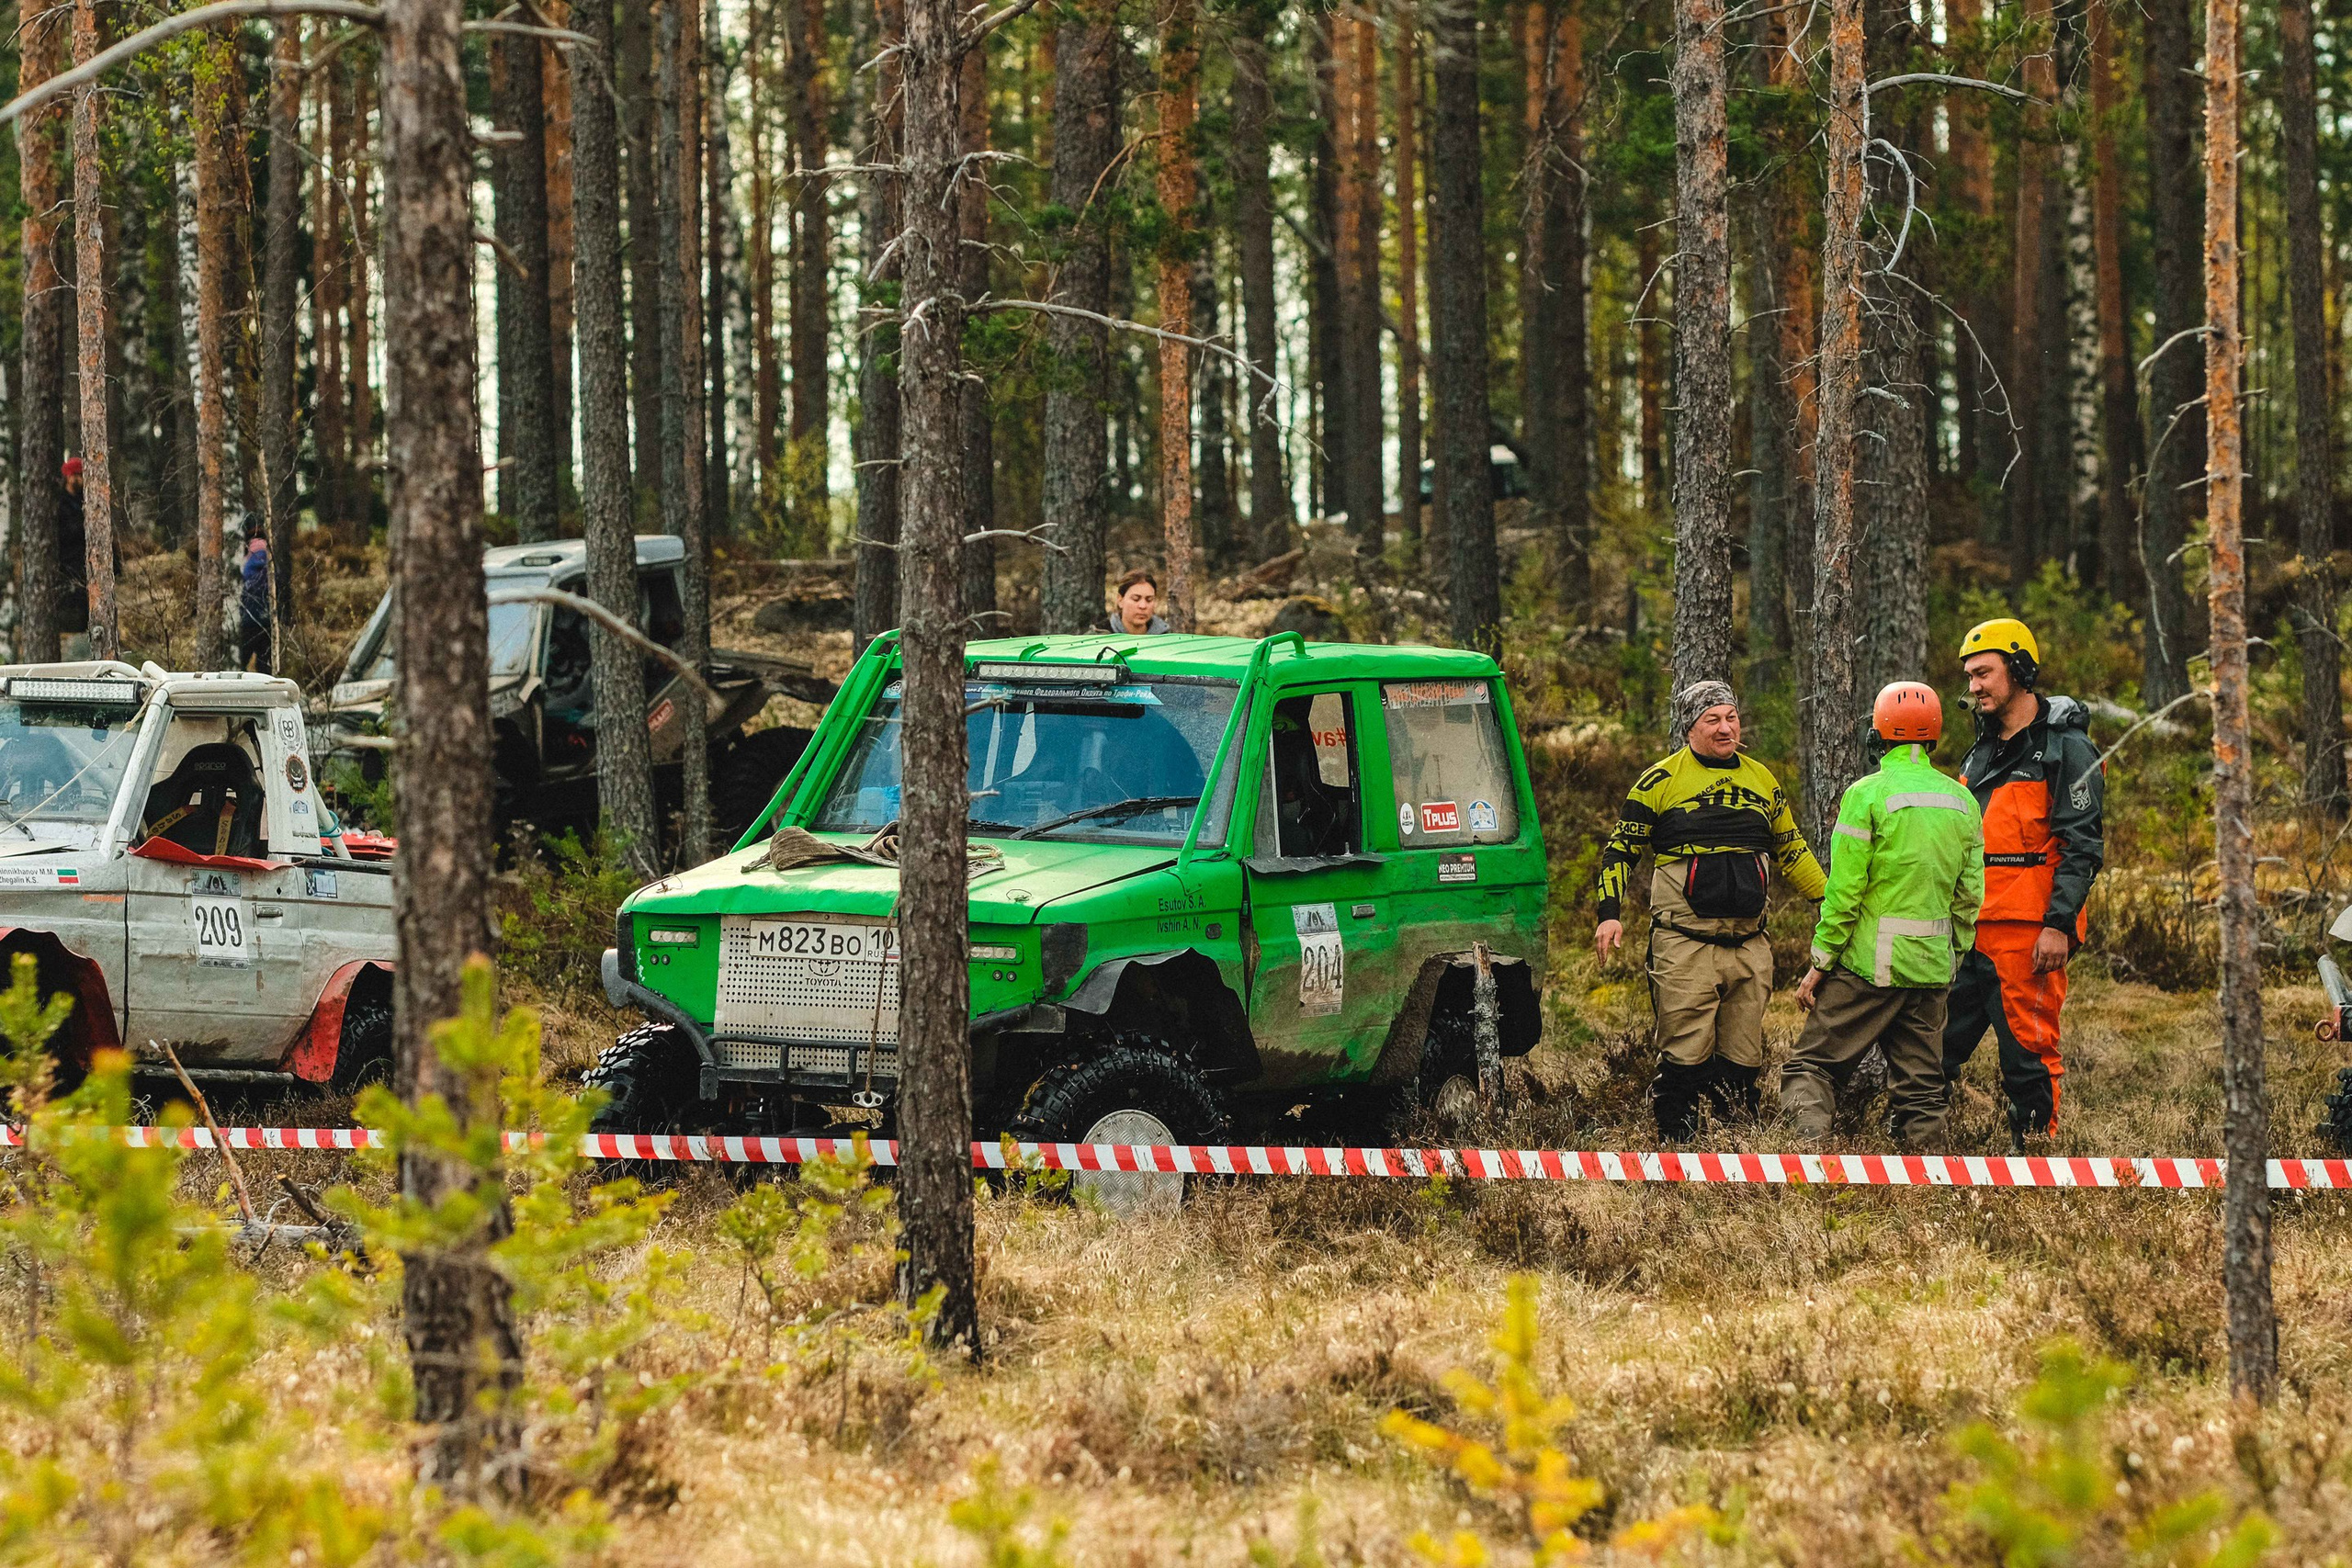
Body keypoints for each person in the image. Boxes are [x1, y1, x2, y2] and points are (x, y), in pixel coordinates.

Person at [1595, 680, 1827, 1140]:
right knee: (1685, 1059)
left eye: (1731, 718)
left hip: (1749, 947)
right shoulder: (1660, 780)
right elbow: (1620, 851)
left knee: (1742, 1063)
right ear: (1690, 727)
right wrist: (1609, 913)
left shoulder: (1763, 780)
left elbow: (1791, 849)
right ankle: (1678, 1161)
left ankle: (1734, 1163)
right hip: (1685, 947)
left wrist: (1829, 903)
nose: (1725, 729)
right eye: (1712, 720)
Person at [1781, 682, 1984, 1147]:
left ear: (1878, 734)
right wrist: (1952, 953)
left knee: (1810, 1068)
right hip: (1931, 967)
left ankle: (1808, 1171)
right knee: (1922, 1089)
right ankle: (1927, 1190)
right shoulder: (1963, 802)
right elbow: (1970, 895)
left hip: (1869, 966)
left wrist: (1819, 965)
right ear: (1932, 738)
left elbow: (1845, 893)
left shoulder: (1866, 795)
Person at [1941, 617, 2104, 1150]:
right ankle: (1916, 1151)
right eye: (1969, 676)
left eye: (1983, 673)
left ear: (2018, 669)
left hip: (2028, 934)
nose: (1974, 686)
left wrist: (2058, 925)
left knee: (2027, 1056)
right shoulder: (1980, 749)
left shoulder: (2067, 749)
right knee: (1933, 1048)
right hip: (1970, 930)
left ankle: (2036, 1162)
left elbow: (2082, 847)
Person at [57, 457, 88, 649]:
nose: (80, 479)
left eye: (81, 475)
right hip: (69, 561)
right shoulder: (61, 504)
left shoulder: (86, 500)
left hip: (84, 561)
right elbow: (63, 534)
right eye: (76, 475)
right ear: (69, 477)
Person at [239, 525, 272, 671]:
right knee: (264, 663)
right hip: (267, 620)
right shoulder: (271, 564)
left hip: (248, 620)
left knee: (241, 662)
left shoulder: (246, 564)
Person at [1107, 568, 1170, 634]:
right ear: (1120, 600)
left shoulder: (1167, 638)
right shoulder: (1100, 636)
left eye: (1149, 600)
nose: (1143, 606)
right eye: (1136, 599)